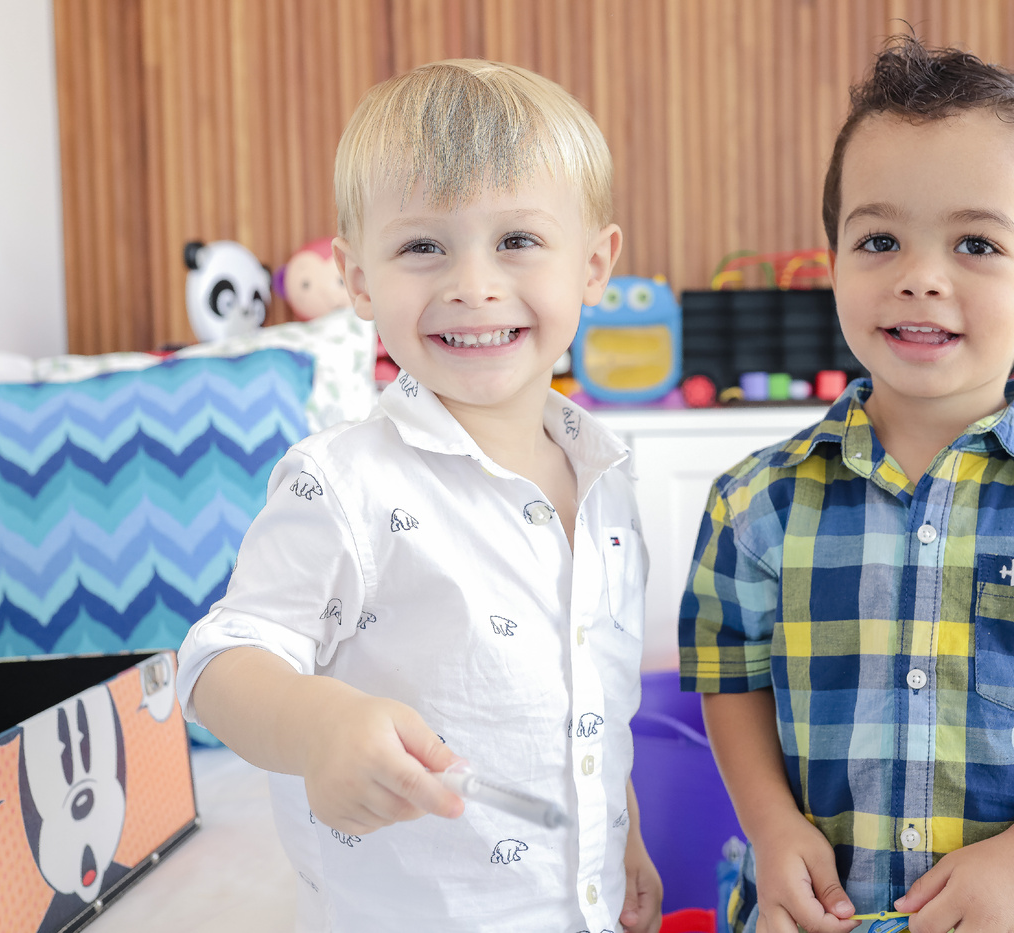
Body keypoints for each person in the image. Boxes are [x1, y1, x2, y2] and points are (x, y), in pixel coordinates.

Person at [679, 36, 1014, 933]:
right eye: (879, 240)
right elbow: (731, 682)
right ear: (834, 264)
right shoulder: (754, 503)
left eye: (975, 243)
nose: (920, 278)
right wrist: (771, 827)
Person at [177, 59, 663, 933]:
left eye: (517, 240)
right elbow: (218, 663)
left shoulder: (610, 485)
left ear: (594, 266)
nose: (473, 284)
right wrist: (317, 724)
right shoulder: (342, 483)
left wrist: (618, 833)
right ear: (359, 278)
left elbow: (590, 697)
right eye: (422, 247)